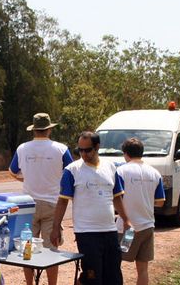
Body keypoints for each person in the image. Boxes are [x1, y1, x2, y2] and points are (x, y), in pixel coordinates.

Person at [51, 131, 131, 285]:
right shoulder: (72, 170)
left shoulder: (111, 167)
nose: (83, 154)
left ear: (97, 147)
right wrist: (55, 228)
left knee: (113, 275)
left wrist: (126, 219)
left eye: (87, 150)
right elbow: (62, 202)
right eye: (80, 150)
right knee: (92, 276)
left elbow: (117, 198)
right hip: (86, 232)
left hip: (109, 231)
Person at [9, 113, 73, 285]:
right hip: (53, 204)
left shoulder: (22, 148)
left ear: (34, 130)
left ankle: (30, 283)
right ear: (50, 129)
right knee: (51, 251)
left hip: (28, 204)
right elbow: (72, 172)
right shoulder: (61, 149)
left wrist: (26, 179)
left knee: (27, 248)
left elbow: (13, 171)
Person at [116, 138, 165, 285]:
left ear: (125, 154)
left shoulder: (121, 171)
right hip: (147, 227)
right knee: (143, 269)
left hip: (127, 229)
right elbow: (161, 201)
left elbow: (116, 197)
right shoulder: (155, 173)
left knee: (116, 263)